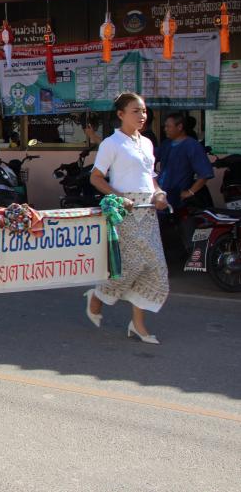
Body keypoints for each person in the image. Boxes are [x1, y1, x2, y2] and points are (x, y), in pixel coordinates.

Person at [87, 92, 170, 344]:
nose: (142, 116)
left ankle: (138, 324)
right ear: (121, 114)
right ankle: (97, 297)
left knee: (155, 268)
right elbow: (96, 177)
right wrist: (120, 196)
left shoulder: (146, 143)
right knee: (129, 268)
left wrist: (160, 194)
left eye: (144, 111)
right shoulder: (111, 144)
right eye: (136, 111)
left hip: (148, 212)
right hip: (126, 213)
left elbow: (150, 177)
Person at [157, 112, 214, 211]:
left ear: (179, 127)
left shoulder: (192, 146)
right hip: (162, 195)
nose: (165, 129)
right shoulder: (166, 144)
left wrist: (190, 192)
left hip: (178, 199)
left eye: (168, 126)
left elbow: (205, 174)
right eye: (165, 126)